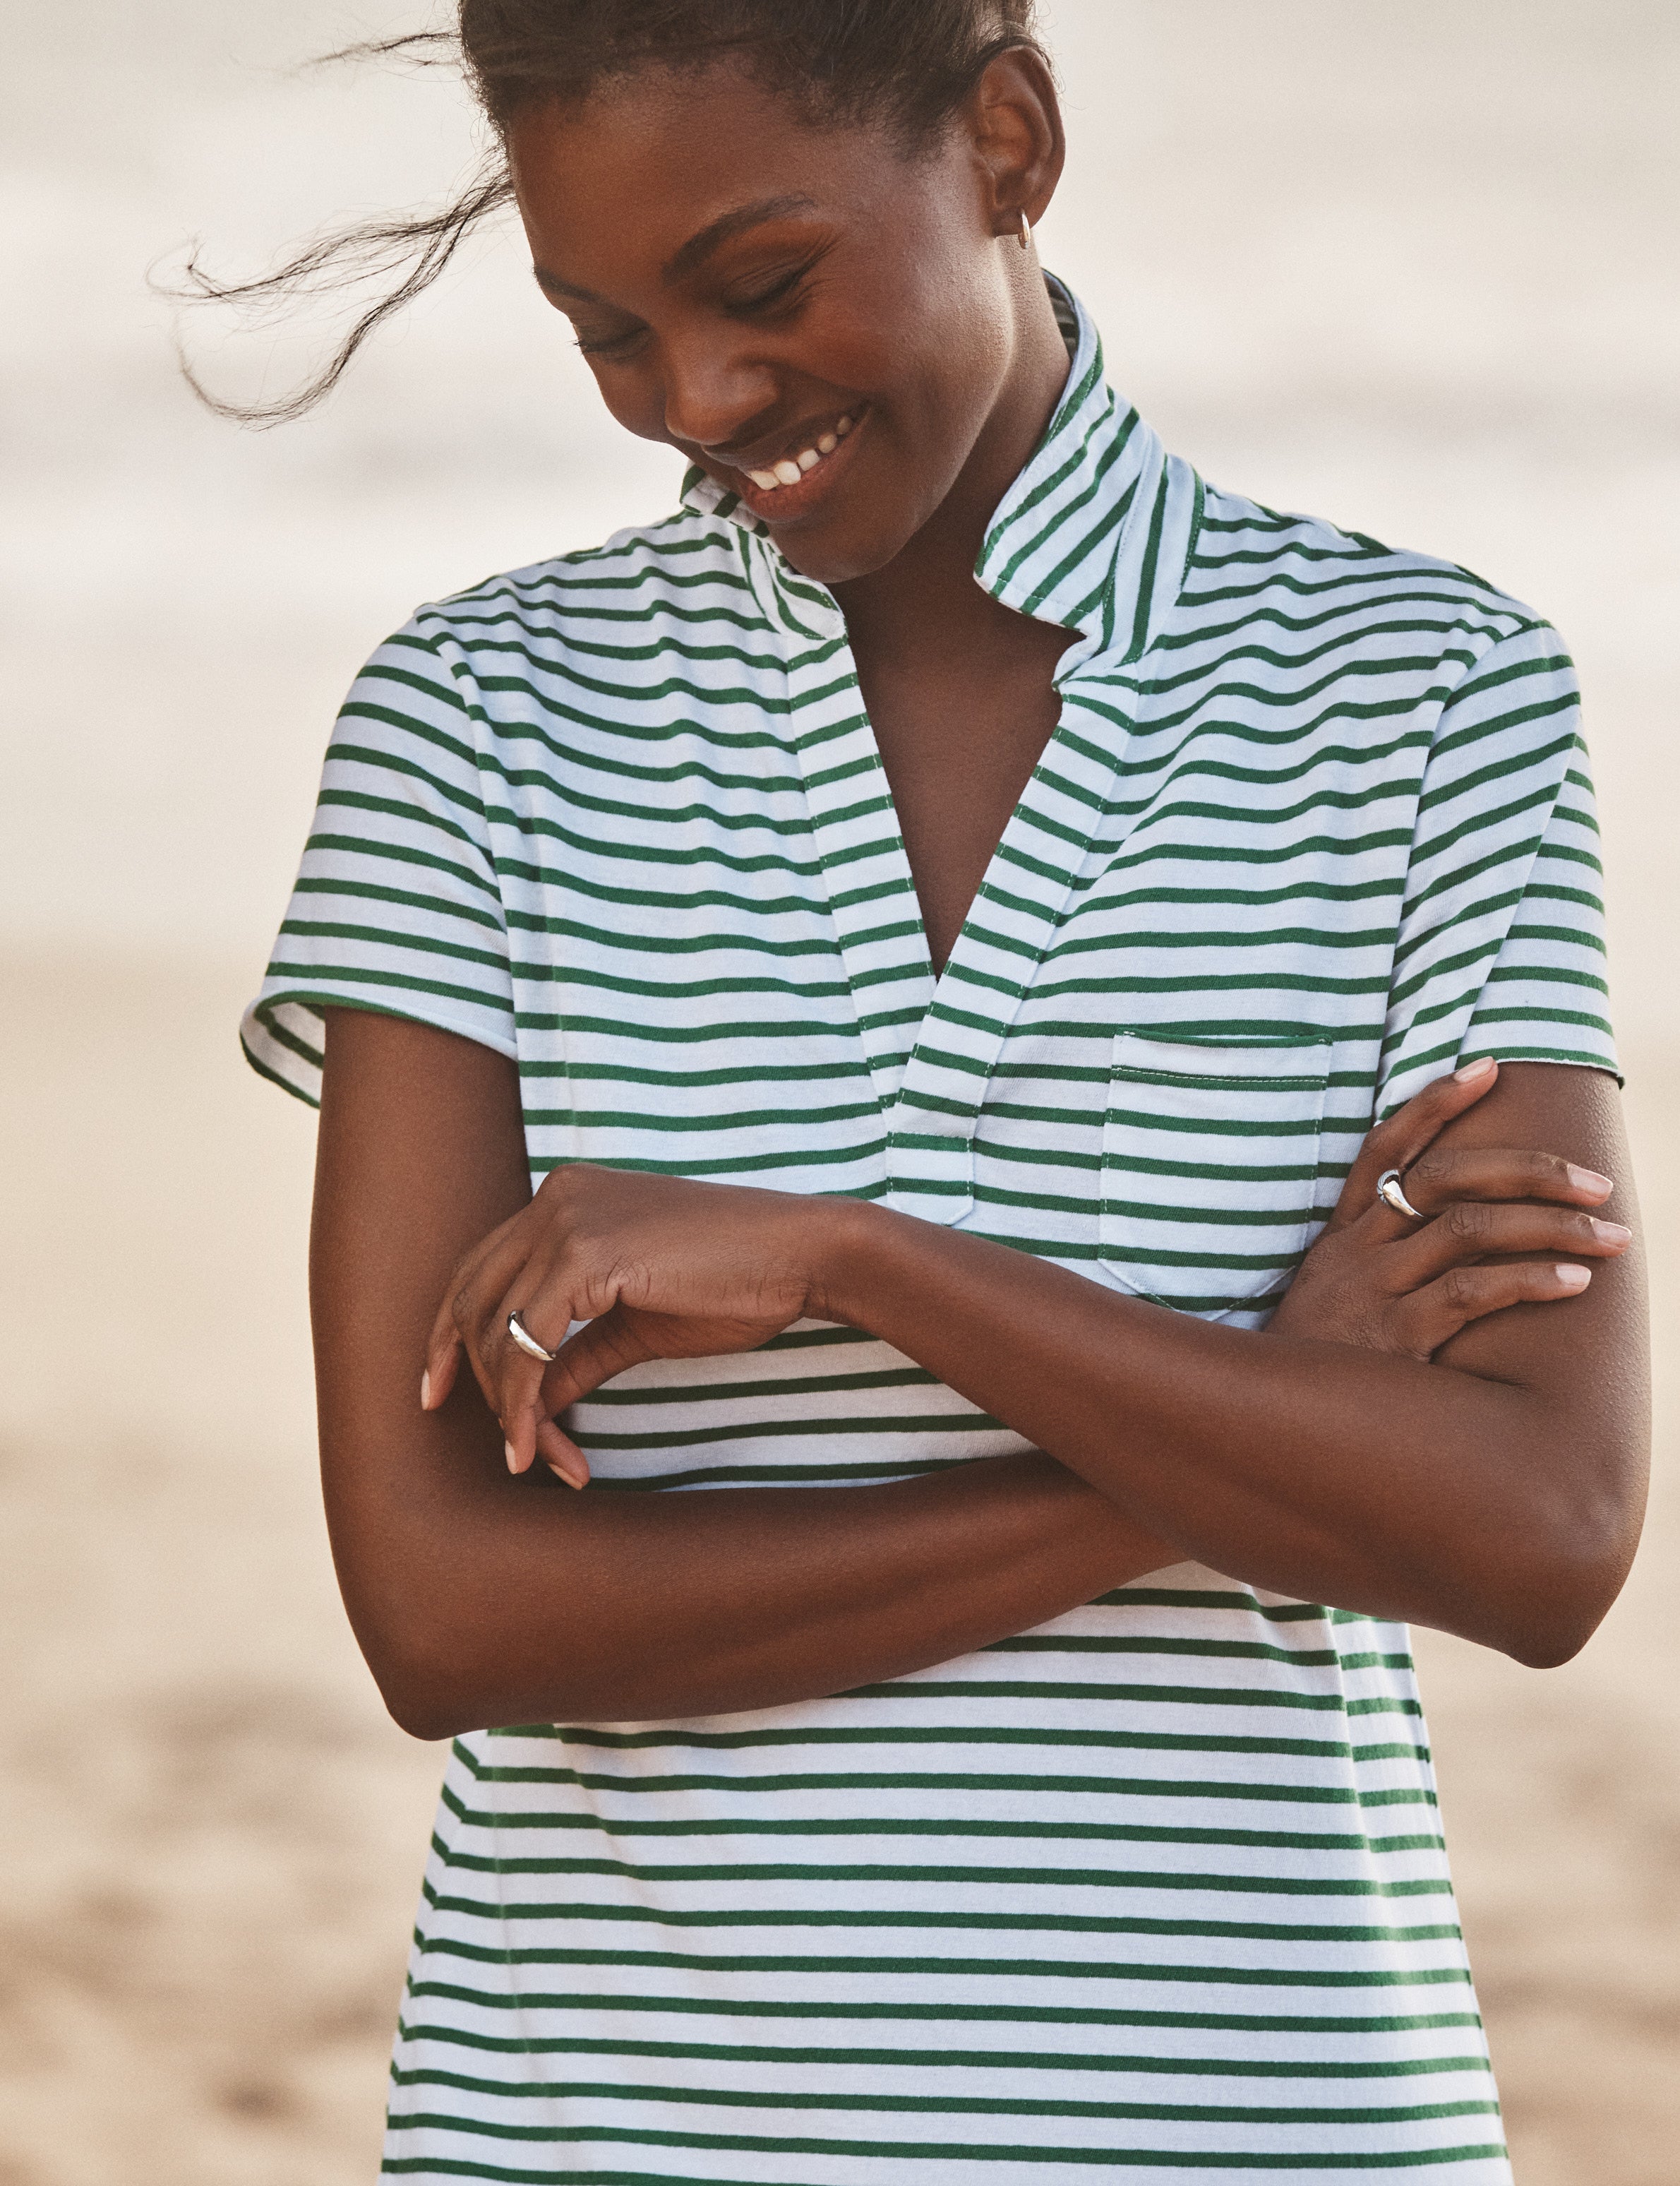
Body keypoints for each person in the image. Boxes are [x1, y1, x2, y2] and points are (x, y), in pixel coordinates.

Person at [229, 4, 1648, 2178]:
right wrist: (1243, 1438)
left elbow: (1536, 1540)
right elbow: (446, 1614)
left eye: (761, 282)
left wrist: (857, 1263)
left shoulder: (1421, 698)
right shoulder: (481, 725)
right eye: (605, 332)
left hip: (1262, 2124)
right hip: (614, 2129)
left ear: (1005, 138)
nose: (695, 401)